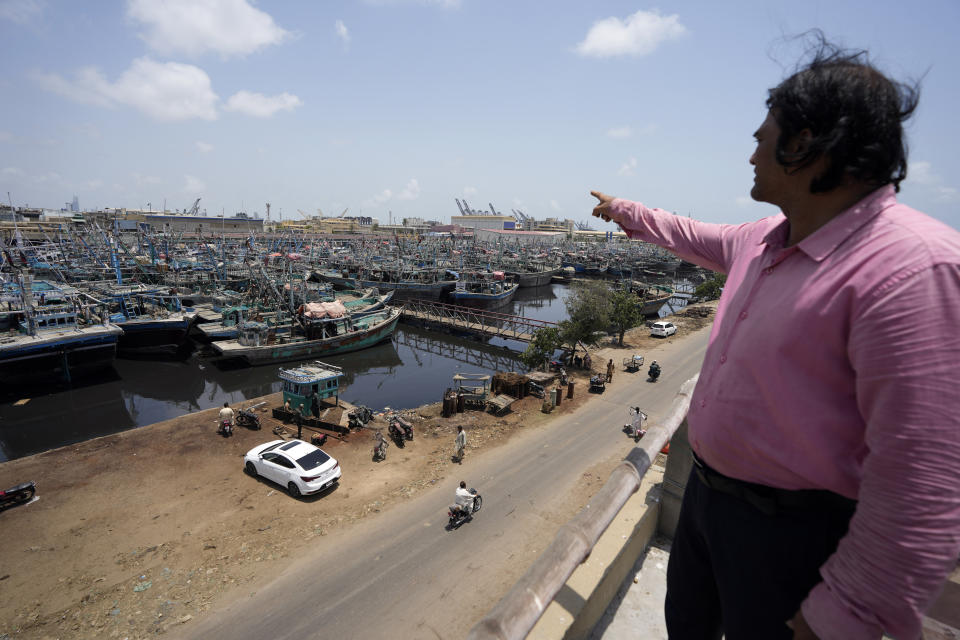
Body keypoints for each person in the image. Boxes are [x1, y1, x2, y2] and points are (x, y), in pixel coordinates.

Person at [591, 36, 960, 640]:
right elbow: (685, 232)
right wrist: (625, 210)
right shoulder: (764, 238)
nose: (752, 154)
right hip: (706, 503)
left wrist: (844, 617)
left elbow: (924, 482)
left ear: (807, 146)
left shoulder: (913, 269)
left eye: (763, 138)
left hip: (793, 537)